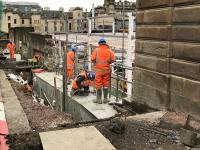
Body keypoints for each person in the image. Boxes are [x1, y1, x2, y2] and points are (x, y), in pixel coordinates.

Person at [91, 38, 115, 104]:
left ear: (99, 43)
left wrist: (96, 62)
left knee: (98, 84)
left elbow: (92, 59)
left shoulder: (96, 50)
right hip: (106, 70)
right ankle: (105, 99)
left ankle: (98, 99)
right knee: (106, 84)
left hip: (98, 70)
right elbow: (113, 59)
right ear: (105, 43)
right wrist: (108, 63)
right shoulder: (110, 51)